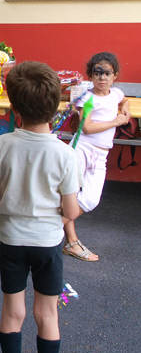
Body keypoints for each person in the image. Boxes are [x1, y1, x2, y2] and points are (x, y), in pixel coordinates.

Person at [0, 61, 82, 353]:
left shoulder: (2, 144)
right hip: (48, 244)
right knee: (47, 314)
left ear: (14, 108)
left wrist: (3, 206)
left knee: (13, 313)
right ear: (57, 107)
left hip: (12, 241)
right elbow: (70, 211)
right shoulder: (66, 154)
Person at [62, 52, 130, 261]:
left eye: (106, 73)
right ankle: (72, 242)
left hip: (100, 155)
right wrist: (117, 122)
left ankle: (55, 224)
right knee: (68, 193)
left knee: (90, 199)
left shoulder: (116, 94)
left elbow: (124, 99)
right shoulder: (86, 98)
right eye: (97, 73)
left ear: (115, 75)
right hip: (82, 148)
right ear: (90, 76)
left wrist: (125, 110)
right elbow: (88, 128)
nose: (102, 77)